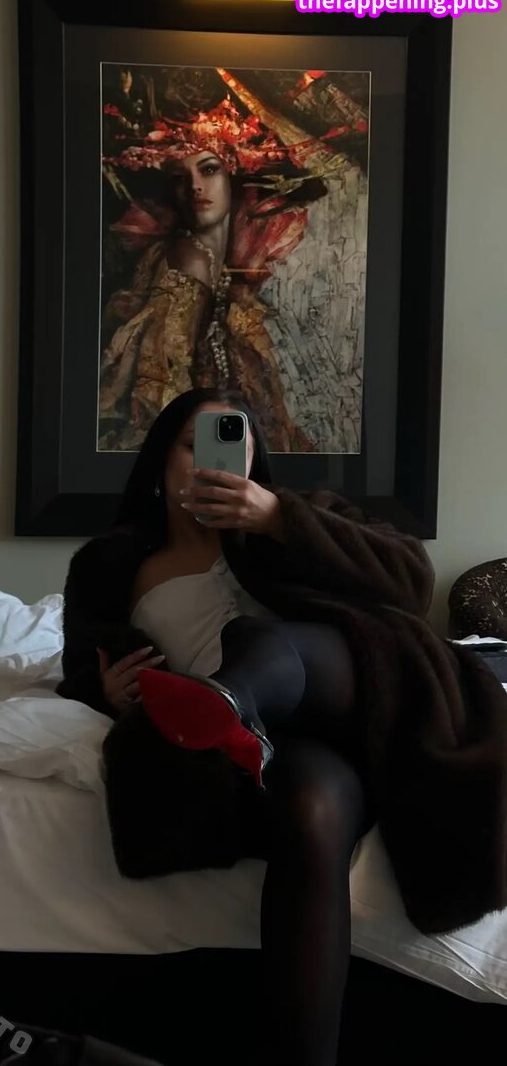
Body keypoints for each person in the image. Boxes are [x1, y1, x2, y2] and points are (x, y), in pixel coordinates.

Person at [58, 389, 507, 1066]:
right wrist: (107, 693)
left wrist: (276, 519)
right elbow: (80, 666)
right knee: (311, 812)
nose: (213, 461)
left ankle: (226, 699)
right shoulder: (111, 565)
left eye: (231, 443)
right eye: (194, 446)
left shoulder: (293, 515)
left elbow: (412, 581)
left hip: (354, 695)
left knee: (260, 640)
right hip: (286, 749)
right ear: (160, 460)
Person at [99, 91, 332, 454]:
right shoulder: (187, 257)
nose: (194, 186)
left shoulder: (222, 259)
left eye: (208, 170)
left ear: (231, 175)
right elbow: (166, 381)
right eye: (180, 177)